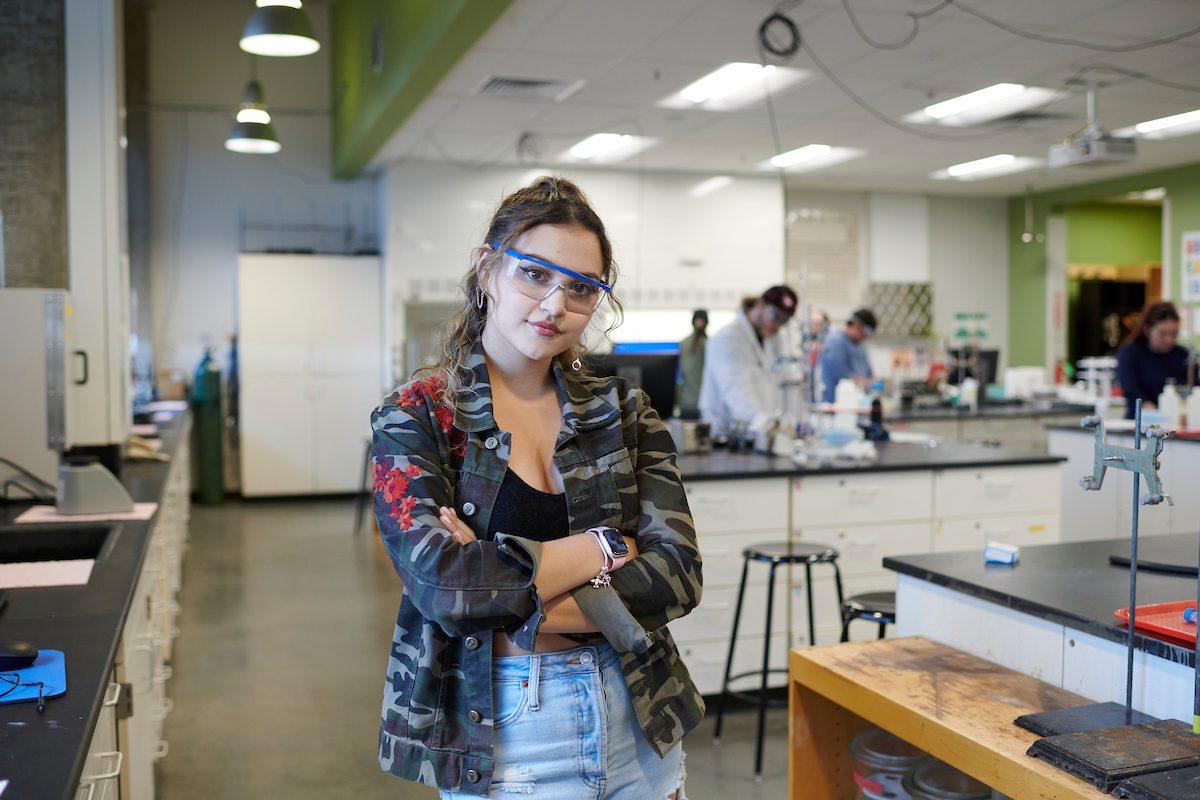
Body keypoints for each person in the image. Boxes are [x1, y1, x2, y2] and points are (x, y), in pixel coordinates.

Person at [370, 176, 701, 799]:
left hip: (642, 717)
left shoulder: (625, 413)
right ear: (488, 270)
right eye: (535, 275)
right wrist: (606, 548)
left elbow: (680, 573)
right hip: (506, 732)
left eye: (580, 288)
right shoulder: (419, 417)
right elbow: (447, 591)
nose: (555, 306)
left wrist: (506, 599)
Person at [698, 285, 798, 439]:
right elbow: (736, 392)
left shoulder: (774, 340)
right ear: (760, 304)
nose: (777, 326)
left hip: (759, 432)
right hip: (725, 435)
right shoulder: (727, 338)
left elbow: (784, 382)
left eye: (784, 321)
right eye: (774, 316)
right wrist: (769, 425)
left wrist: (790, 422)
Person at [1116, 301, 1196, 418]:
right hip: (1140, 422)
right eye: (1162, 334)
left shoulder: (1183, 355)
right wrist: (1151, 410)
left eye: (1174, 334)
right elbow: (1130, 388)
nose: (1169, 340)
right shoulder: (1130, 353)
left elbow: (1193, 388)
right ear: (1147, 329)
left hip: (1177, 422)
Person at [817, 308, 877, 404]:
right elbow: (841, 375)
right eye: (865, 333)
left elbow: (869, 374)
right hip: (834, 405)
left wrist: (874, 382)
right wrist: (865, 383)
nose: (865, 338)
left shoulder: (859, 346)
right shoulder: (835, 341)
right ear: (856, 325)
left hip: (855, 404)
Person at [676, 309, 708, 417]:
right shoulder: (710, 344)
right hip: (705, 403)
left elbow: (680, 375)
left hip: (686, 402)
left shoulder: (683, 343)